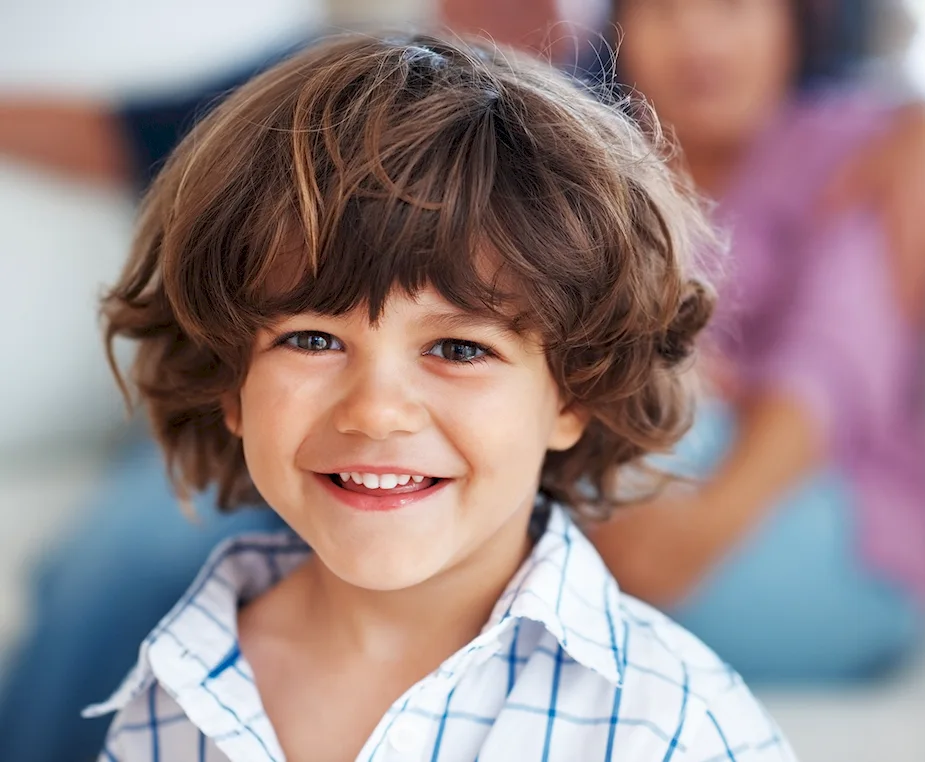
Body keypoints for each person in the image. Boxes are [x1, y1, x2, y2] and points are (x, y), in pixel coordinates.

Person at [82, 31, 797, 761]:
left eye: (459, 349)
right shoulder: (170, 691)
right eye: (312, 339)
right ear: (230, 379)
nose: (376, 410)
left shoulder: (674, 723)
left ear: (573, 394)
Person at [588, 0, 925, 683]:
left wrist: (696, 530)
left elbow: (836, 361)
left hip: (825, 521)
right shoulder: (595, 176)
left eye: (732, 9)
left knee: (643, 419)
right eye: (663, 13)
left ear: (793, 26)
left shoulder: (861, 150)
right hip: (649, 493)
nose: (698, 41)